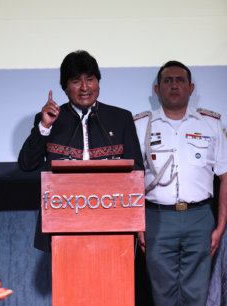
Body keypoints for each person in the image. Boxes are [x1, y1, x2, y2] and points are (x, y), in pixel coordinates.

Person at [134, 60, 227, 306]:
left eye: (180, 80)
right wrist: (137, 224)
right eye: (167, 80)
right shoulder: (141, 126)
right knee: (163, 305)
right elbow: (130, 180)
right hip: (156, 218)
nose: (174, 85)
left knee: (194, 304)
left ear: (191, 89)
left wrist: (220, 225)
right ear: (157, 88)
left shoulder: (210, 124)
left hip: (197, 220)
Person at [18, 50, 144, 251]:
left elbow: (137, 172)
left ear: (98, 83)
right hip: (63, 224)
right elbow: (27, 164)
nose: (85, 87)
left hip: (114, 222)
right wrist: (45, 126)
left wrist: (138, 222)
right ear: (65, 87)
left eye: (90, 79)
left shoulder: (121, 119)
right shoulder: (50, 119)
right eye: (76, 81)